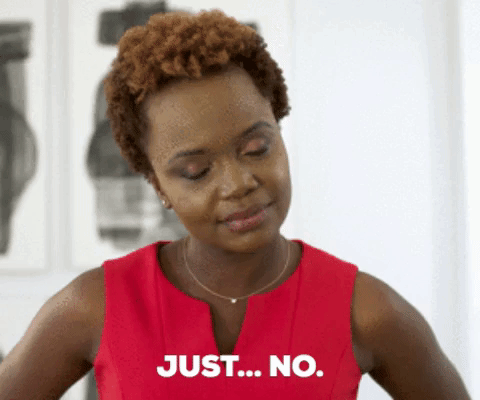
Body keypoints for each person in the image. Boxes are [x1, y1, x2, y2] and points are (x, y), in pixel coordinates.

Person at [0, 9, 472, 400]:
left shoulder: (365, 310)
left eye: (256, 149)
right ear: (157, 184)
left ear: (279, 129)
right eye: (196, 171)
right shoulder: (96, 306)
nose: (238, 184)